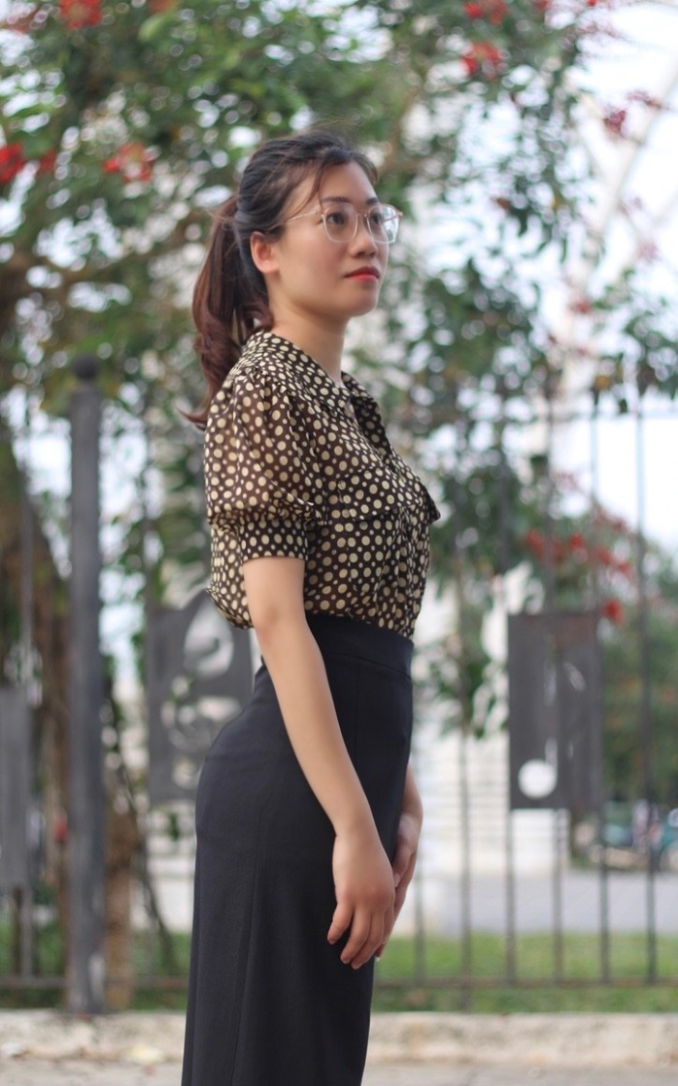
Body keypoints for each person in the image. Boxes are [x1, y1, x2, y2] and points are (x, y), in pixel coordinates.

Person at [181, 129, 439, 1086]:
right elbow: (283, 621)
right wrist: (355, 827)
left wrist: (397, 794)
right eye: (335, 218)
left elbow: (371, 626)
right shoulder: (266, 387)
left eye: (374, 217)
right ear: (266, 250)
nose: (365, 239)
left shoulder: (347, 403)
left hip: (343, 794)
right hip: (296, 803)